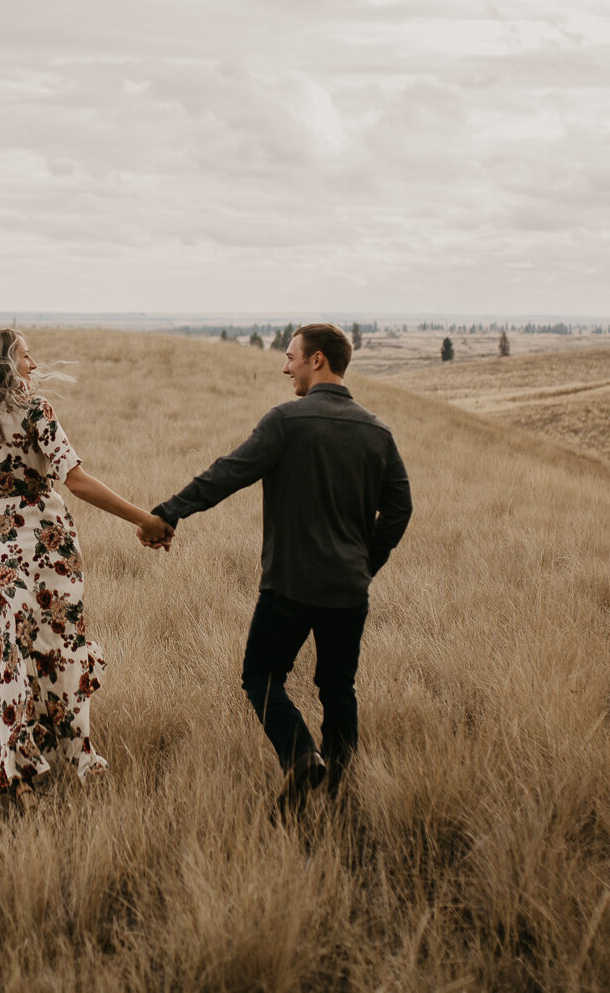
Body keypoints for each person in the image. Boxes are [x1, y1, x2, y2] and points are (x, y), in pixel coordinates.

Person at [148, 323, 412, 810]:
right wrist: (363, 563)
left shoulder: (287, 422)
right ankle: (340, 793)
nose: (284, 364)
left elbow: (227, 473)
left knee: (260, 675)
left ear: (317, 360)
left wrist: (167, 512)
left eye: (291, 356)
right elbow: (400, 509)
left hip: (289, 585)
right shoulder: (378, 432)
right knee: (337, 687)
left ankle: (300, 755)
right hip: (348, 591)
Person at [0, 327, 172, 807]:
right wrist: (145, 519)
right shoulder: (36, 412)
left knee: (9, 658)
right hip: (42, 543)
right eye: (26, 356)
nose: (33, 364)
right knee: (59, 649)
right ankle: (80, 756)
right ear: (6, 362)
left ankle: (21, 770)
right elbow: (78, 482)